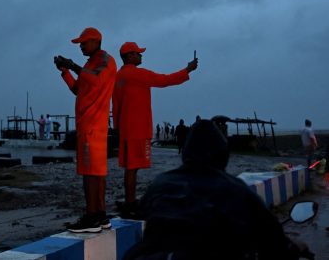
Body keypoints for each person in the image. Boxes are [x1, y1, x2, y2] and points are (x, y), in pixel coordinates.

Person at [124, 119, 307, 260]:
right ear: (223, 153)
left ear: (186, 152)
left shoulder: (160, 183)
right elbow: (272, 237)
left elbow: (143, 214)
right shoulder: (235, 189)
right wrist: (292, 247)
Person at [111, 42, 198, 217]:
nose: (141, 56)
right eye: (138, 53)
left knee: (130, 166)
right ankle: (130, 204)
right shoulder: (138, 75)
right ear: (129, 56)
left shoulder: (119, 76)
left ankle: (130, 201)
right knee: (133, 167)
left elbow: (116, 104)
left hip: (127, 128)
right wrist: (187, 70)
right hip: (137, 128)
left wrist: (117, 127)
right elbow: (165, 80)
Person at [54, 27, 116, 233]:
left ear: (96, 41)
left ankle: (91, 218)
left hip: (92, 124)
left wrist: (73, 65)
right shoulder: (91, 64)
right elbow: (77, 89)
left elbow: (97, 80)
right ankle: (100, 215)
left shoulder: (105, 60)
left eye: (83, 42)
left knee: (90, 173)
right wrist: (66, 71)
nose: (80, 46)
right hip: (89, 124)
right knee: (95, 172)